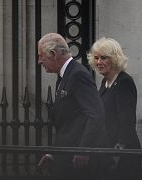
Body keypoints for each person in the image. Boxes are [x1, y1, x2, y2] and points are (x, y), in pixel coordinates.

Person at [37, 33, 111, 180]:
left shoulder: (77, 74)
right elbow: (68, 124)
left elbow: (96, 114)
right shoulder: (64, 76)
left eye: (41, 56)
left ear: (52, 54)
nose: (39, 61)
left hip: (81, 166)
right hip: (68, 158)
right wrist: (53, 154)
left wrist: (83, 151)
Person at [88, 37, 142, 180]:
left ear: (114, 59)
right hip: (108, 149)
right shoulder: (105, 81)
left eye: (103, 58)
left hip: (122, 153)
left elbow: (127, 120)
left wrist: (118, 151)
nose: (98, 62)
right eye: (96, 58)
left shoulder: (124, 82)